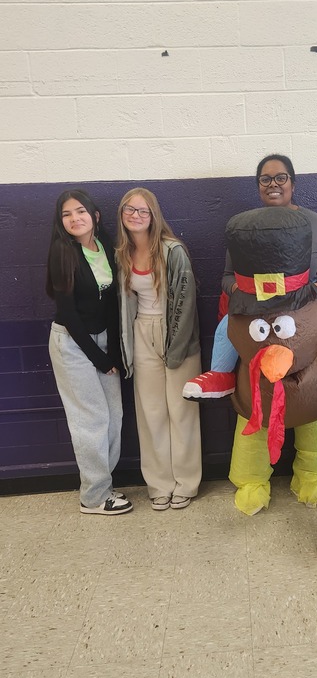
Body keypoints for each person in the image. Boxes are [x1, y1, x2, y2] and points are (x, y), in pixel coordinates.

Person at [184, 154, 317, 400]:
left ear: (293, 184)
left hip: (305, 306)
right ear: (258, 186)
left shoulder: (314, 222)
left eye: (280, 178)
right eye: (265, 179)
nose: (273, 184)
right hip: (256, 310)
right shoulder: (245, 227)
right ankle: (221, 373)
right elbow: (228, 276)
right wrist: (241, 292)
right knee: (227, 324)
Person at [46, 191, 132, 515]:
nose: (74, 218)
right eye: (67, 214)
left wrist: (113, 352)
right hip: (72, 344)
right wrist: (99, 358)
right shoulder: (62, 252)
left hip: (103, 341)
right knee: (90, 419)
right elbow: (67, 313)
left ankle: (103, 484)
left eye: (80, 211)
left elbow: (112, 303)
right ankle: (94, 496)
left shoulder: (105, 246)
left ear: (95, 215)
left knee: (114, 415)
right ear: (61, 222)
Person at [117, 188, 202, 510]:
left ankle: (186, 482)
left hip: (177, 334)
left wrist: (175, 348)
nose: (136, 216)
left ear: (154, 216)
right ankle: (159, 483)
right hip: (142, 332)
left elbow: (186, 302)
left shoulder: (173, 250)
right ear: (121, 214)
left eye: (143, 211)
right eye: (129, 210)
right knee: (151, 412)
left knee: (181, 411)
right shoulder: (122, 254)